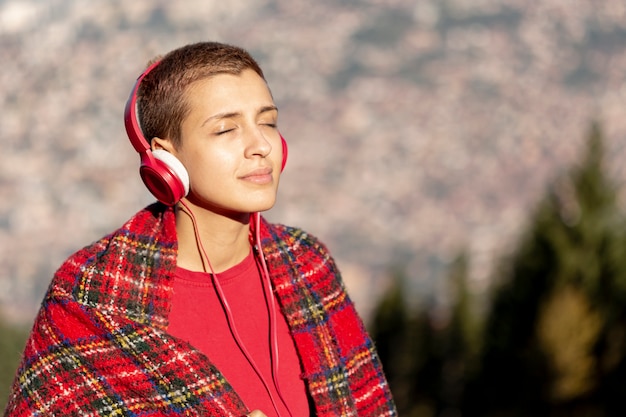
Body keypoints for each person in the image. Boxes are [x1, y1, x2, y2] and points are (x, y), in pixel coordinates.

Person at [4, 42, 397, 417]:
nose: (261, 145)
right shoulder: (93, 297)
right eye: (226, 129)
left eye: (269, 122)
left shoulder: (308, 266)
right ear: (165, 158)